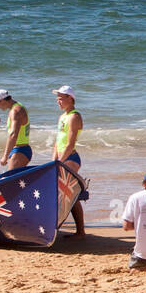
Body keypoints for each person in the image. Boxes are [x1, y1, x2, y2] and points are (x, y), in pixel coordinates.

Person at [52, 85, 86, 237]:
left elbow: (70, 143)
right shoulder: (62, 117)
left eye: (61, 98)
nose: (58, 101)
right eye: (57, 98)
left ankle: (80, 231)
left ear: (70, 98)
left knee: (68, 193)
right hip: (61, 158)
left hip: (70, 158)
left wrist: (60, 161)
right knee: (63, 193)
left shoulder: (74, 116)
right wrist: (53, 160)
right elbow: (58, 140)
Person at [0, 89, 31, 172]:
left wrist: (5, 156)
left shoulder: (15, 111)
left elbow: (13, 135)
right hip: (20, 149)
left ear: (2, 100)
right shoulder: (19, 107)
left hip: (20, 151)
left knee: (9, 181)